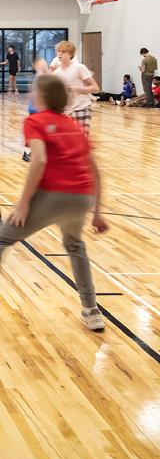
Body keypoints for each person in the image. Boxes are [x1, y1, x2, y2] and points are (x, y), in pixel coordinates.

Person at [0, 74, 109, 331]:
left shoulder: (35, 121)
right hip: (82, 198)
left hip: (53, 195)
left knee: (3, 239)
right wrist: (97, 211)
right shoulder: (73, 125)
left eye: (34, 91)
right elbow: (95, 170)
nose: (31, 95)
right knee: (75, 246)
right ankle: (92, 310)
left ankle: (92, 309)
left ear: (41, 96)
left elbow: (38, 160)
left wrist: (24, 203)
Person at [49, 40, 99, 133]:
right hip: (66, 110)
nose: (60, 54)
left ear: (70, 54)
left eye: (63, 51)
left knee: (80, 137)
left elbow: (95, 88)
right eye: (58, 51)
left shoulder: (79, 68)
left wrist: (77, 89)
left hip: (81, 107)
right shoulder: (56, 73)